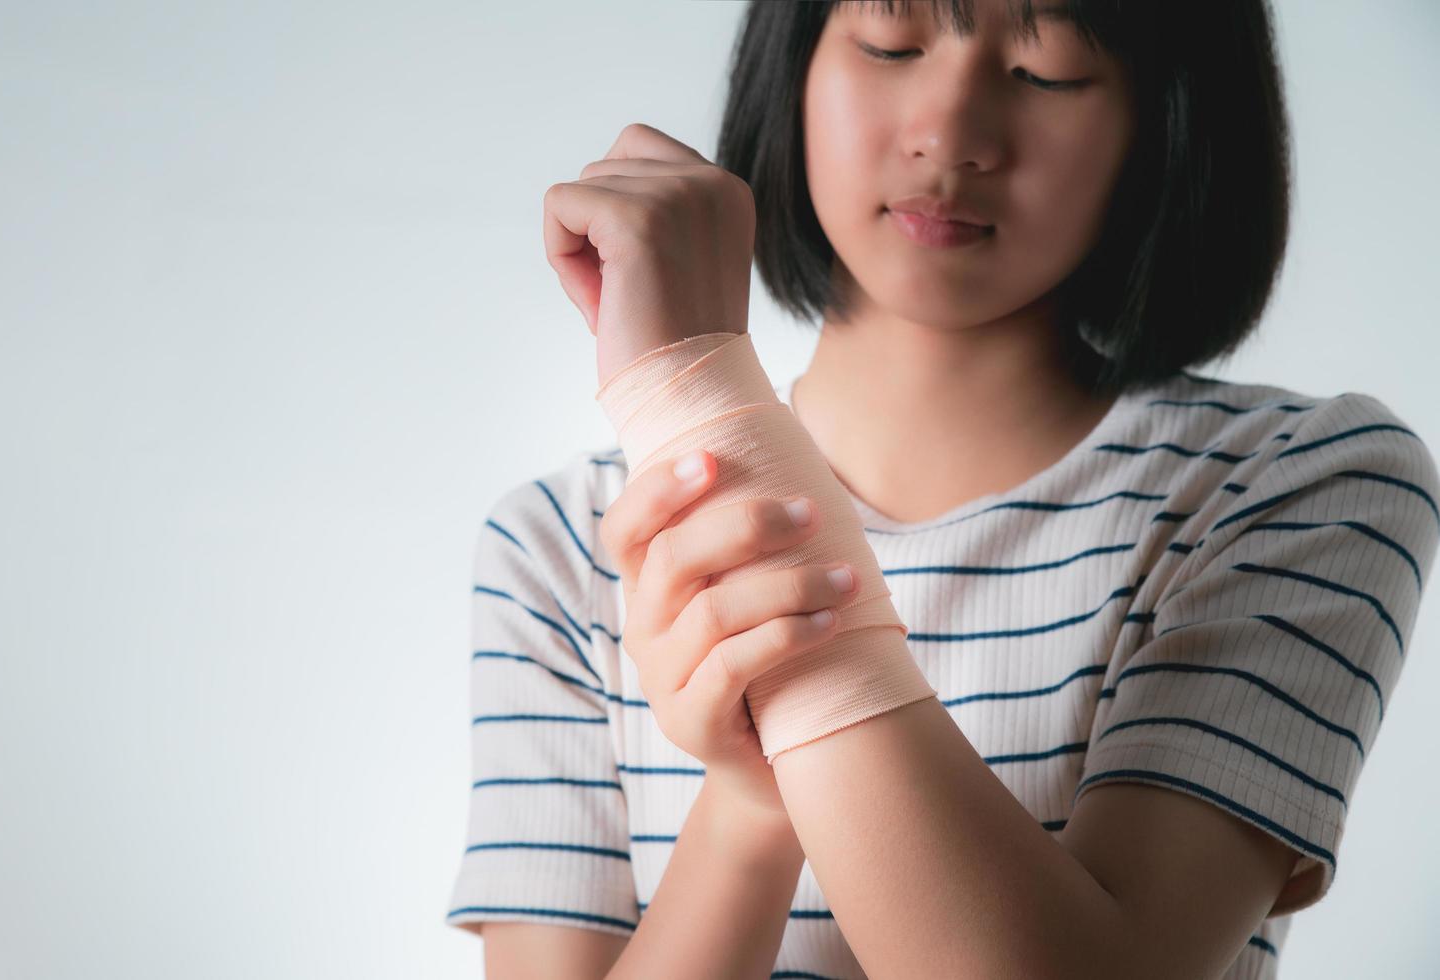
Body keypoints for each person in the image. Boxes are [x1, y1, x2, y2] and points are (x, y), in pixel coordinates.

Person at [445, 2, 1440, 977]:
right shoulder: (563, 546)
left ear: (1166, 115)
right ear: (791, 61)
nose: (948, 136)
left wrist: (699, 399)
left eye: (1045, 67)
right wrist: (751, 807)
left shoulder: (1293, 481)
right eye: (890, 41)